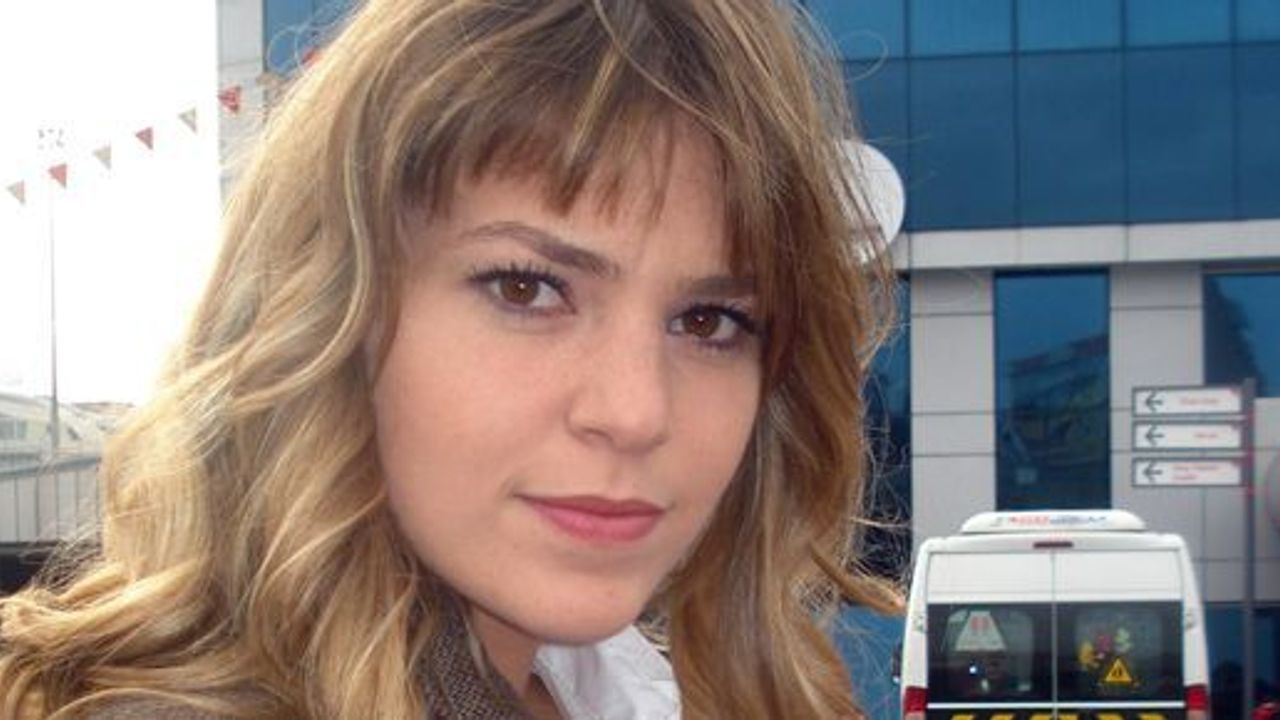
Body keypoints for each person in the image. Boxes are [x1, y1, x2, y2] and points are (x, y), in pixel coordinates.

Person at [0, 0, 901, 717]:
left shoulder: (634, 684)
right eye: (527, 289)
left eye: (709, 321)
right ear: (332, 317)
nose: (635, 412)